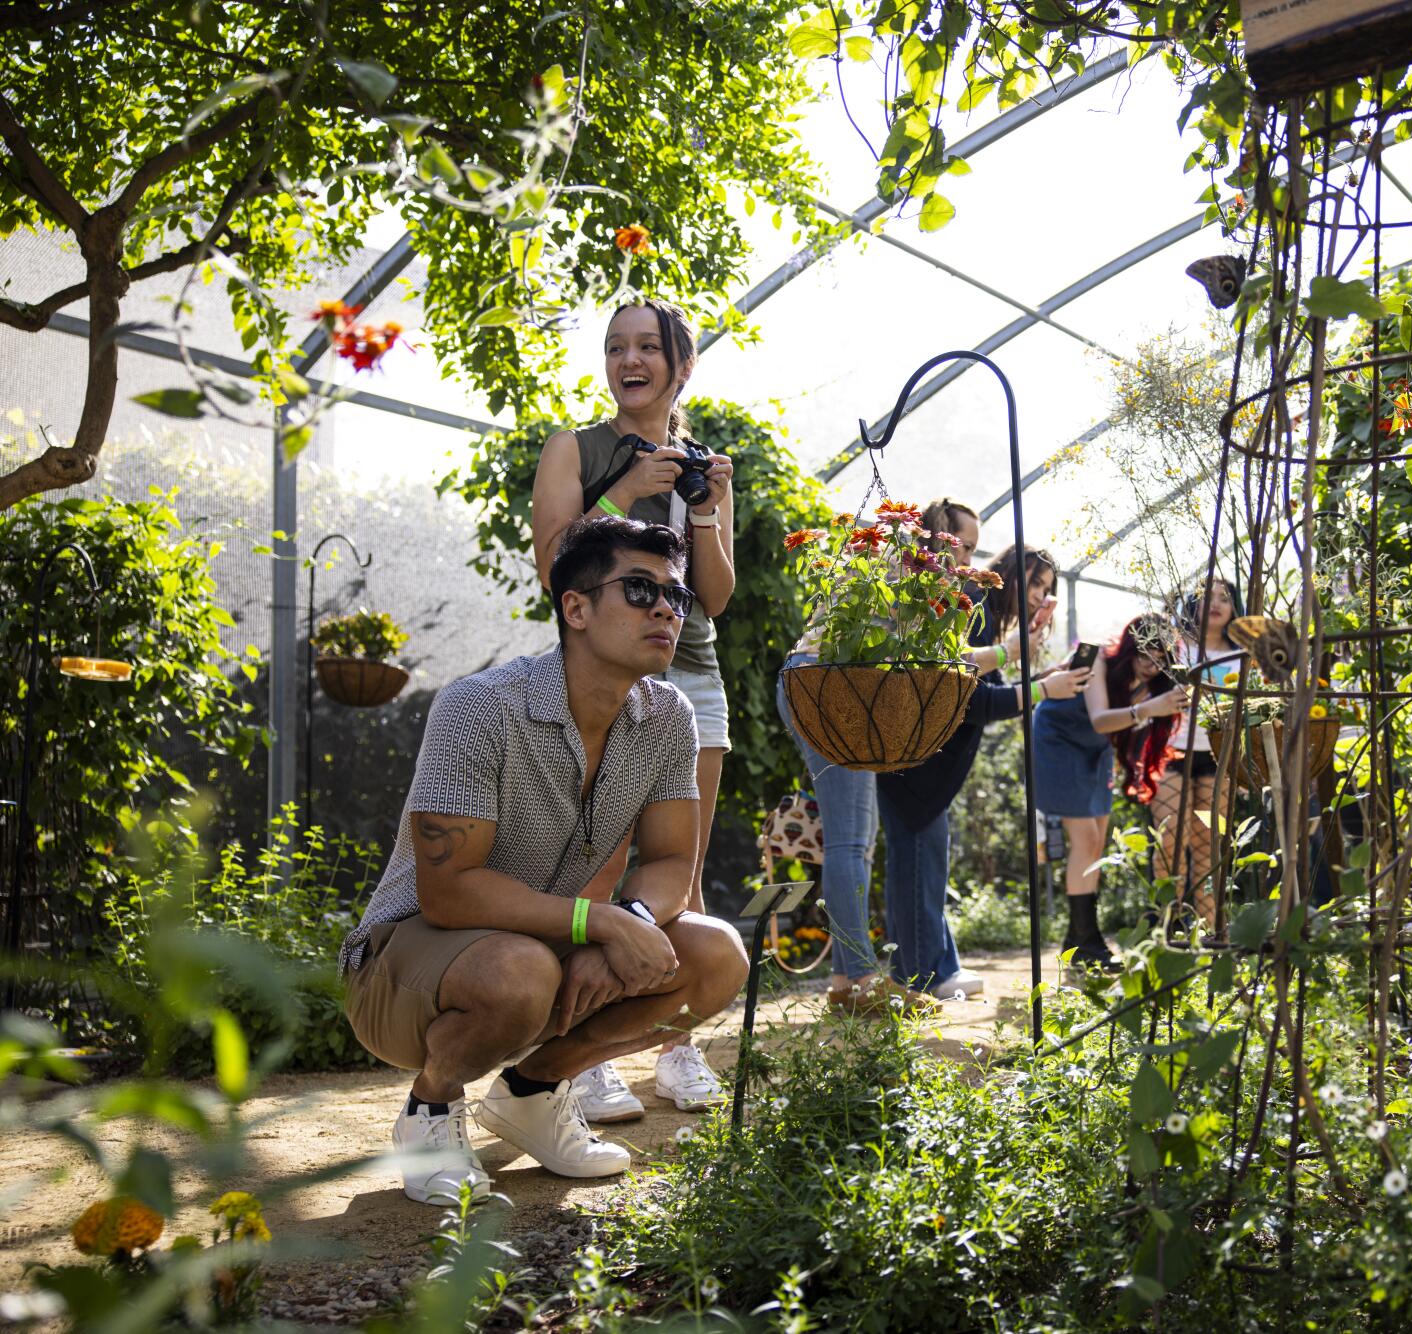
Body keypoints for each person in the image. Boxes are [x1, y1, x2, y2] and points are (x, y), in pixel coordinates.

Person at [338, 515, 751, 1205]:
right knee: (520, 970)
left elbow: (675, 859)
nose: (665, 609)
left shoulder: (669, 717)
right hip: (402, 966)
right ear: (576, 607)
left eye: (675, 597)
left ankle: (531, 1093)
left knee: (716, 953)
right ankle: (430, 1110)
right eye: (640, 589)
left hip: (542, 942)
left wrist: (633, 921)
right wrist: (599, 925)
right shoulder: (480, 707)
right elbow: (449, 892)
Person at [527, 300, 734, 1118]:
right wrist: (620, 490)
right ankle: (591, 1058)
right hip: (601, 682)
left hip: (693, 684)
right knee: (603, 870)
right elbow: (553, 566)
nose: (629, 359)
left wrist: (709, 505)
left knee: (679, 872)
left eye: (648, 346)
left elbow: (714, 597)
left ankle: (679, 1049)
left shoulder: (703, 465)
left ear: (680, 364)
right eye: (616, 346)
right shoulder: (574, 451)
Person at [769, 498, 982, 1015]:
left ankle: (846, 979)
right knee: (850, 843)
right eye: (964, 546)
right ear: (937, 534)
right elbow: (939, 659)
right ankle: (863, 978)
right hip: (829, 683)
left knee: (854, 844)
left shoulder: (899, 562)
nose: (967, 560)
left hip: (813, 680)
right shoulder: (912, 570)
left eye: (973, 550)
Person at [876, 544, 1089, 997]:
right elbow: (974, 702)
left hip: (925, 768)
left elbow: (987, 693)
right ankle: (919, 978)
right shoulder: (974, 608)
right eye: (1034, 583)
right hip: (918, 765)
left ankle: (932, 969)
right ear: (1009, 572)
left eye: (1047, 590)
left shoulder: (986, 617)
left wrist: (1039, 678)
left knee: (924, 867)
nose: (1038, 596)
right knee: (917, 867)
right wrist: (1042, 689)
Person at [1048, 612, 1190, 963]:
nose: (1151, 665)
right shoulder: (1098, 658)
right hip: (1059, 742)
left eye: (1160, 658)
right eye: (1145, 654)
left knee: (1096, 842)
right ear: (1130, 647)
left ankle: (1075, 939)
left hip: (1093, 752)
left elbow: (1115, 731)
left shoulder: (1151, 685)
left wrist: (1153, 706)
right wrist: (1148, 708)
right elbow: (1099, 720)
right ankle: (1088, 942)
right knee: (1085, 841)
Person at [1155, 577, 1245, 929]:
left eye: (1225, 597)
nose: (1217, 603)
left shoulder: (1242, 654)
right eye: (1207, 597)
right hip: (1171, 752)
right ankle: (1168, 925)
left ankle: (1210, 931)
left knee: (1210, 846)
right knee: (1169, 838)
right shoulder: (1175, 647)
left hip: (1217, 755)